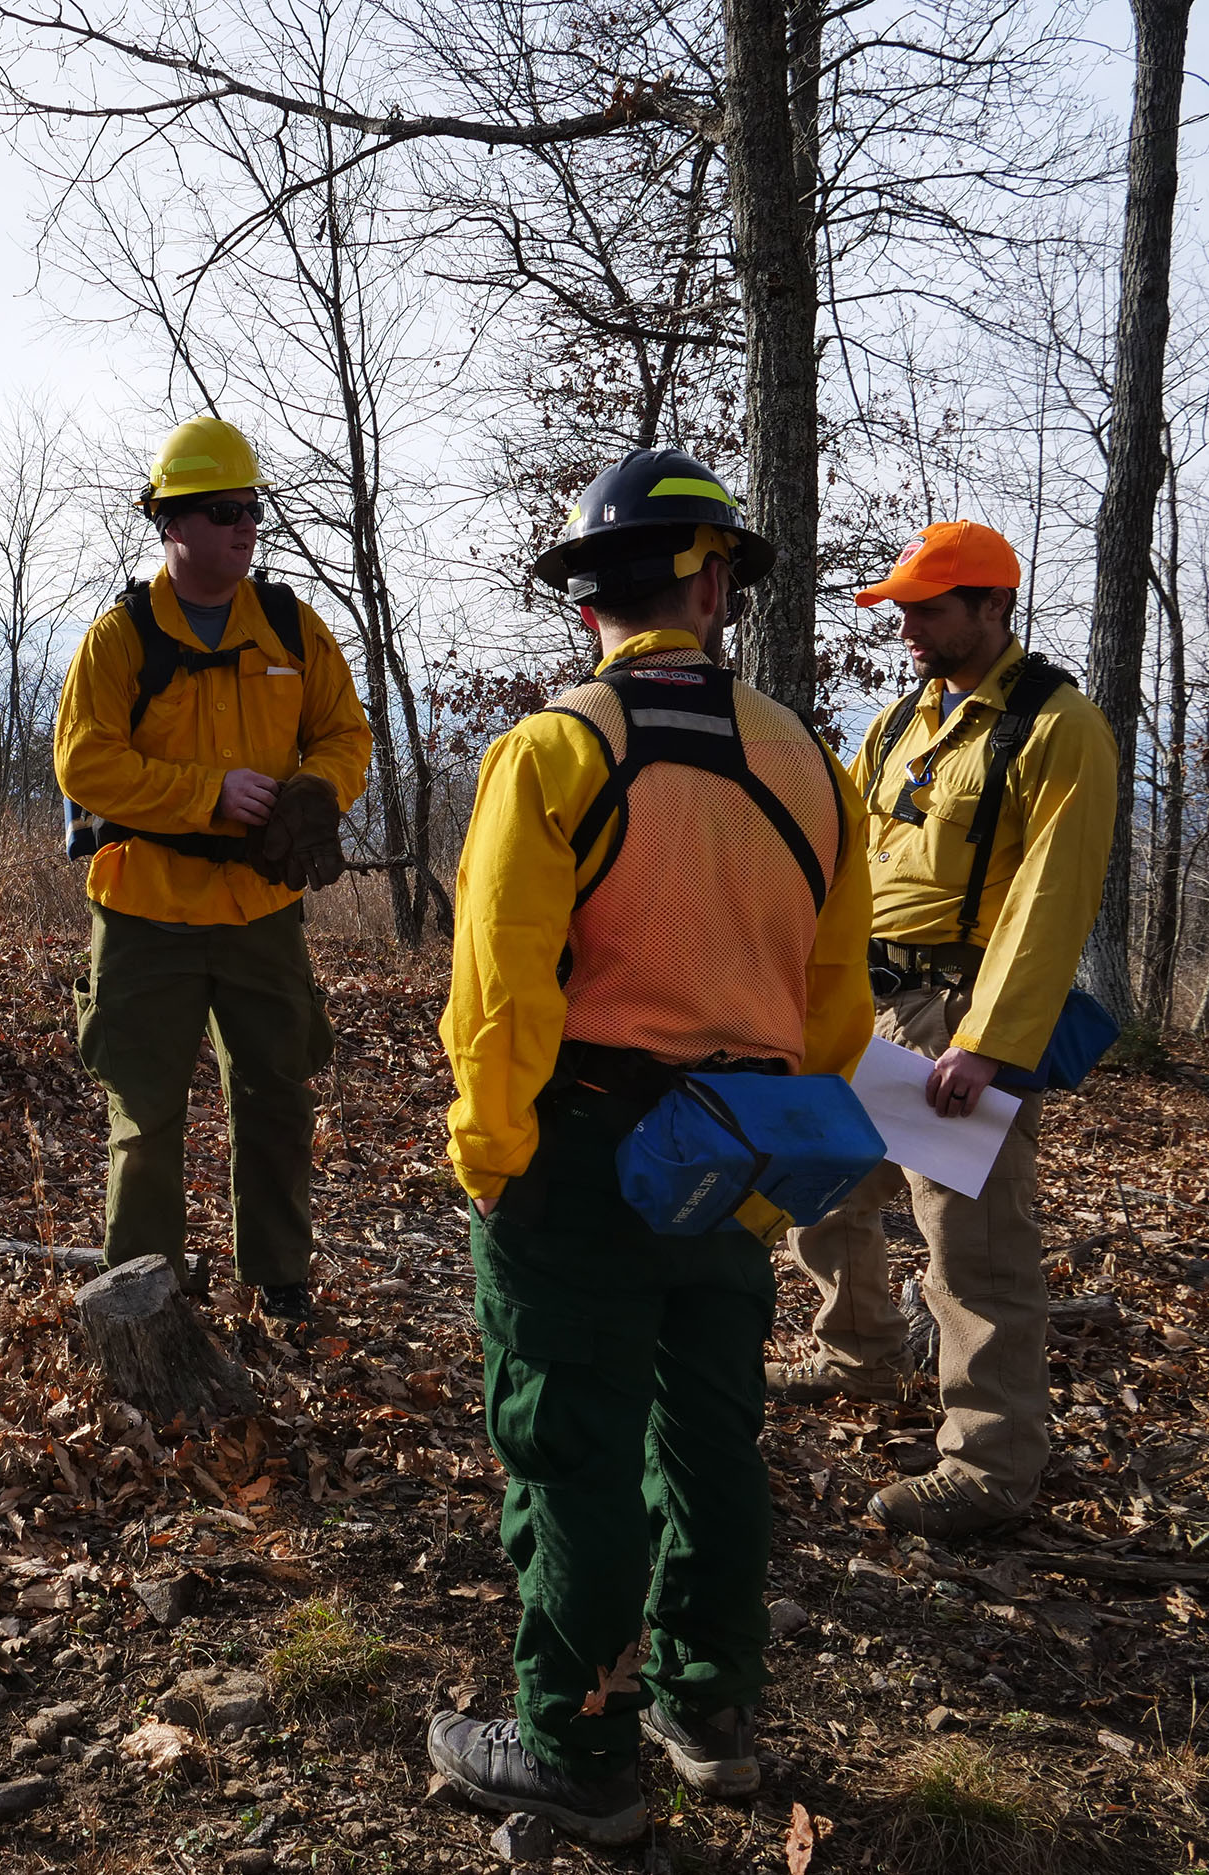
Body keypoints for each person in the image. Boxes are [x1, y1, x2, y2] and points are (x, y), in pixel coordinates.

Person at [427, 450, 873, 1844]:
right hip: (734, 1143)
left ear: (586, 609)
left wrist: (488, 1149)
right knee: (710, 1432)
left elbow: (501, 988)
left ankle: (576, 1745)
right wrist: (769, 1157)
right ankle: (710, 1704)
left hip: (577, 1141)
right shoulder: (812, 758)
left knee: (571, 1443)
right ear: (711, 581)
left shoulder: (558, 749)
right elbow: (839, 1008)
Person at [771, 522, 1116, 1537]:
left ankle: (991, 1462)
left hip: (962, 1014)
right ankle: (858, 1355)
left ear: (990, 607)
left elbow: (1051, 899)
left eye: (927, 609)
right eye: (902, 610)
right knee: (821, 1185)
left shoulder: (1054, 726)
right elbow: (854, 868)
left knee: (971, 1246)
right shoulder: (901, 724)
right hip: (869, 1001)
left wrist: (991, 1040)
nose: (908, 628)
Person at [53, 417, 373, 1321]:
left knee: (276, 1098)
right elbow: (84, 762)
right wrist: (207, 795)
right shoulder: (120, 639)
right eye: (227, 510)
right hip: (144, 912)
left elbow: (348, 733)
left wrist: (317, 787)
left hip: (259, 911)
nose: (247, 525)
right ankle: (143, 1297)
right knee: (145, 1120)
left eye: (254, 508)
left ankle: (282, 1283)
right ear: (173, 524)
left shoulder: (289, 627)